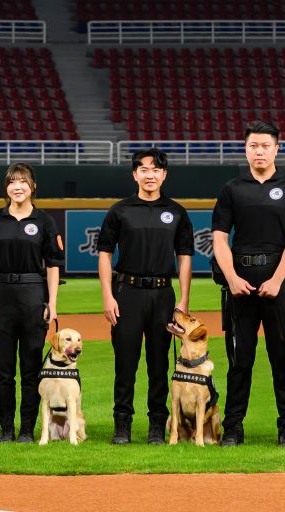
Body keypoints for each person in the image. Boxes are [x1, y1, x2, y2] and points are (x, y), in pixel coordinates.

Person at [211, 120, 285, 447]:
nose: (259, 151)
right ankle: (233, 428)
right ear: (245, 149)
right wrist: (231, 277)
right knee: (239, 360)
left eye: (265, 145)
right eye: (253, 145)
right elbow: (219, 238)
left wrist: (278, 279)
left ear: (276, 149)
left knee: (283, 357)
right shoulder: (232, 189)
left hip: (279, 280)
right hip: (240, 282)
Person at [98, 147, 194, 445]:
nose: (150, 175)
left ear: (164, 175)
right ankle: (122, 425)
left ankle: (156, 425)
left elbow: (185, 257)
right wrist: (107, 296)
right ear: (135, 174)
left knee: (158, 364)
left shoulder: (176, 212)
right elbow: (104, 254)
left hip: (163, 294)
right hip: (127, 292)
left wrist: (183, 300)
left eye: (155, 170)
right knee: (125, 363)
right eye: (144, 169)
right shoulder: (120, 210)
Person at [0, 163, 63, 443]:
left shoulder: (44, 221)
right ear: (6, 187)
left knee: (30, 370)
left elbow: (53, 265)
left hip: (33, 295)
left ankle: (26, 429)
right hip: (2, 295)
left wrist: (52, 303)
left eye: (23, 182)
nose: (18, 187)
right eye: (12, 182)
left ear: (32, 186)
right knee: (3, 372)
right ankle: (6, 429)